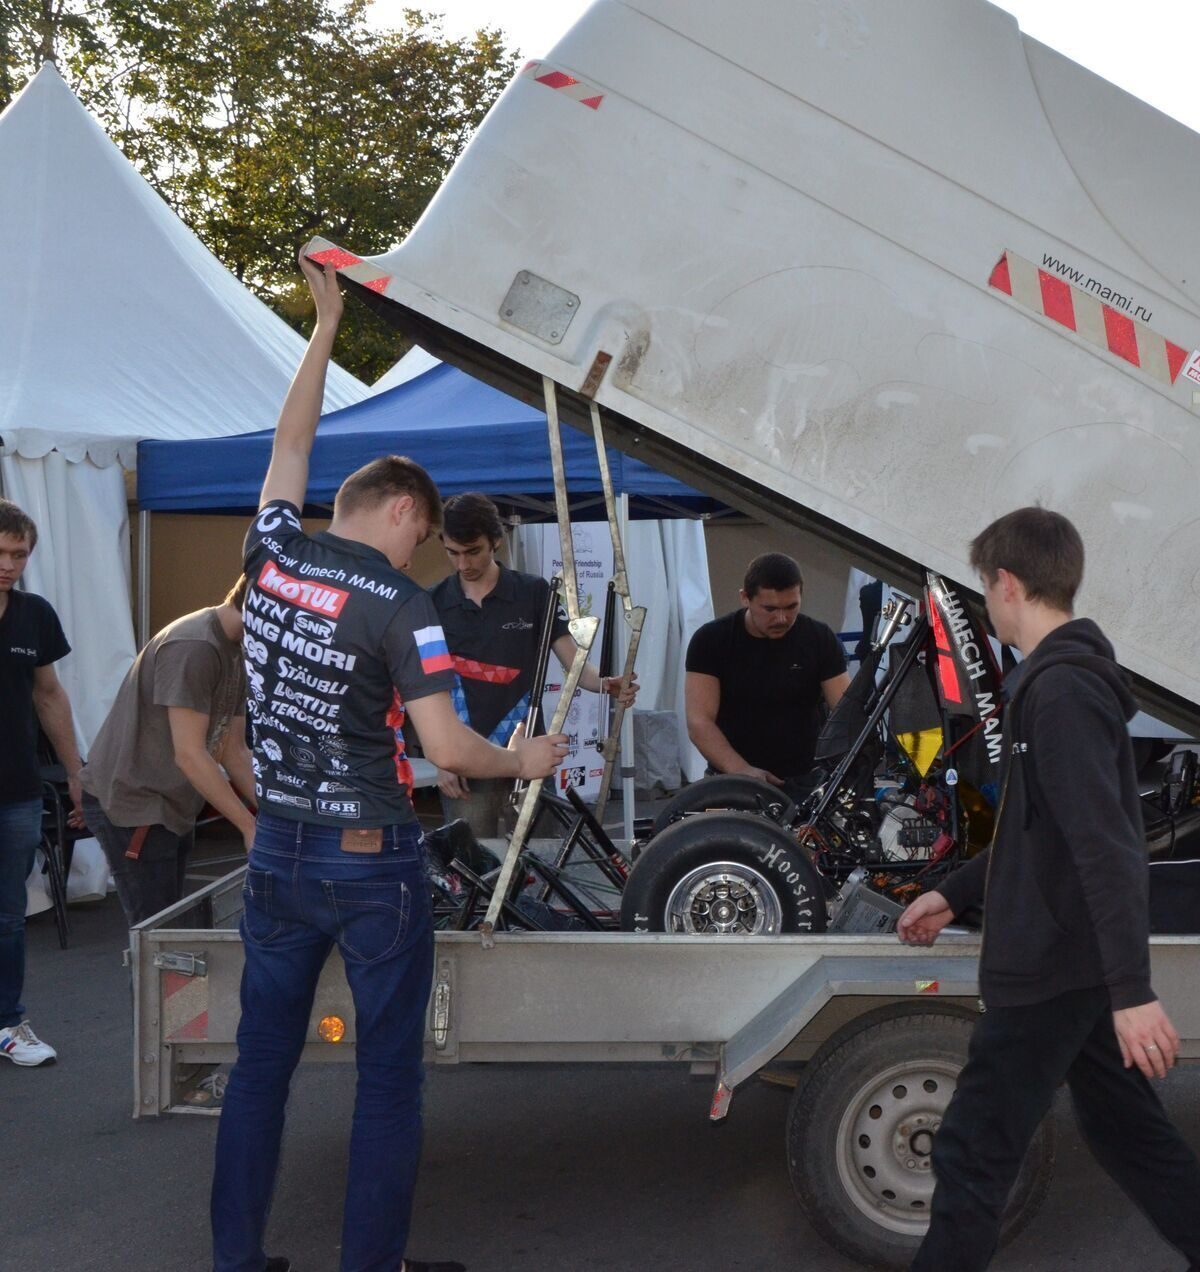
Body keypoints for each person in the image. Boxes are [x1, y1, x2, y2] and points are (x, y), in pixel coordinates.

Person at [210, 258, 569, 1272]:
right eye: (425, 536)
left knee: (259, 1071)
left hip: (276, 848)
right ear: (407, 510)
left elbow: (289, 444)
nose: (422, 555)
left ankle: (235, 1262)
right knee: (386, 1082)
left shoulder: (271, 554)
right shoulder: (405, 607)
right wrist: (523, 757)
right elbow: (448, 749)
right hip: (369, 861)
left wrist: (322, 326)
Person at [897, 508, 1200, 1272]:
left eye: (984, 586)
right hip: (1074, 961)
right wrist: (956, 892)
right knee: (1132, 1139)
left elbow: (1107, 847)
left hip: (1051, 970)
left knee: (970, 1152)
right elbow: (1041, 832)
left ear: (1007, 582)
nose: (986, 602)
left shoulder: (1059, 694)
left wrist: (1132, 992)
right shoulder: (1056, 686)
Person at [431, 492, 636, 836]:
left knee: (539, 855)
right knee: (471, 862)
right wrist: (442, 759)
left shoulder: (533, 592)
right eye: (453, 552)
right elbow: (427, 691)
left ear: (496, 540)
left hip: (529, 752)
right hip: (466, 761)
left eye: (473, 551)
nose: (463, 564)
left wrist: (605, 684)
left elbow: (573, 661)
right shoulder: (432, 601)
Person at [81, 574, 255, 929]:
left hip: (171, 802)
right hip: (136, 802)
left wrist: (276, 815)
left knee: (176, 930)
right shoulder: (195, 646)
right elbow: (189, 754)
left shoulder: (235, 648)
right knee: (159, 936)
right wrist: (248, 825)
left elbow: (232, 749)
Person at [0, 497, 85, 1068]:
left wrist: (77, 773)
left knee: (8, 916)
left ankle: (8, 1023)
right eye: (1, 552)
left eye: (19, 554)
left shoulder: (34, 614)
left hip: (16, 791)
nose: (9, 564)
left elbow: (49, 695)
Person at [684, 552, 849, 786]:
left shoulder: (819, 638)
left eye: (791, 607)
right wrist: (742, 770)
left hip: (806, 779)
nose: (781, 618)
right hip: (732, 778)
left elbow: (846, 713)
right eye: (770, 609)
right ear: (745, 598)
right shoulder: (711, 640)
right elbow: (699, 722)